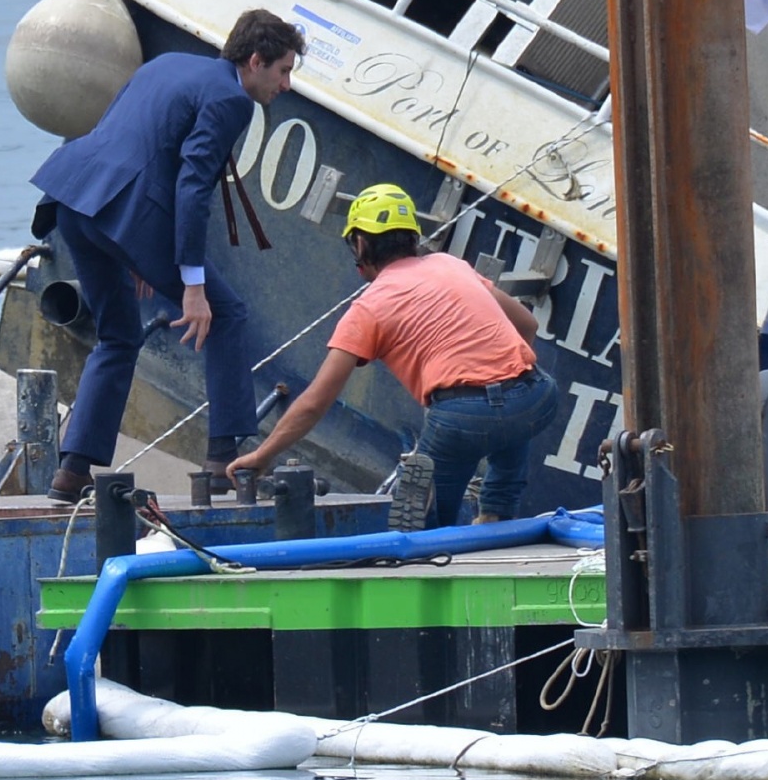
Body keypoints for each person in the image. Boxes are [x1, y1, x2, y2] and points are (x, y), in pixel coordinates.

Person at [29, 8, 305, 502]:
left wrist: (136, 250)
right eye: (283, 71)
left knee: (117, 336)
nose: (285, 84)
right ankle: (224, 459)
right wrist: (193, 286)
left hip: (77, 199)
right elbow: (193, 186)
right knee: (226, 314)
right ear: (256, 61)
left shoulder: (167, 63)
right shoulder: (232, 99)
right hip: (128, 215)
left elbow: (130, 138)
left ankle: (70, 472)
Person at [228, 183, 558, 526]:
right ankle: (495, 517)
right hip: (537, 397)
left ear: (359, 244)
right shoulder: (451, 264)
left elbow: (314, 402)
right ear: (413, 238)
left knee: (420, 522)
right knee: (511, 424)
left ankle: (433, 543)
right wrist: (501, 393)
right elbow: (527, 324)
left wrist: (262, 455)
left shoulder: (368, 308)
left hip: (461, 416)